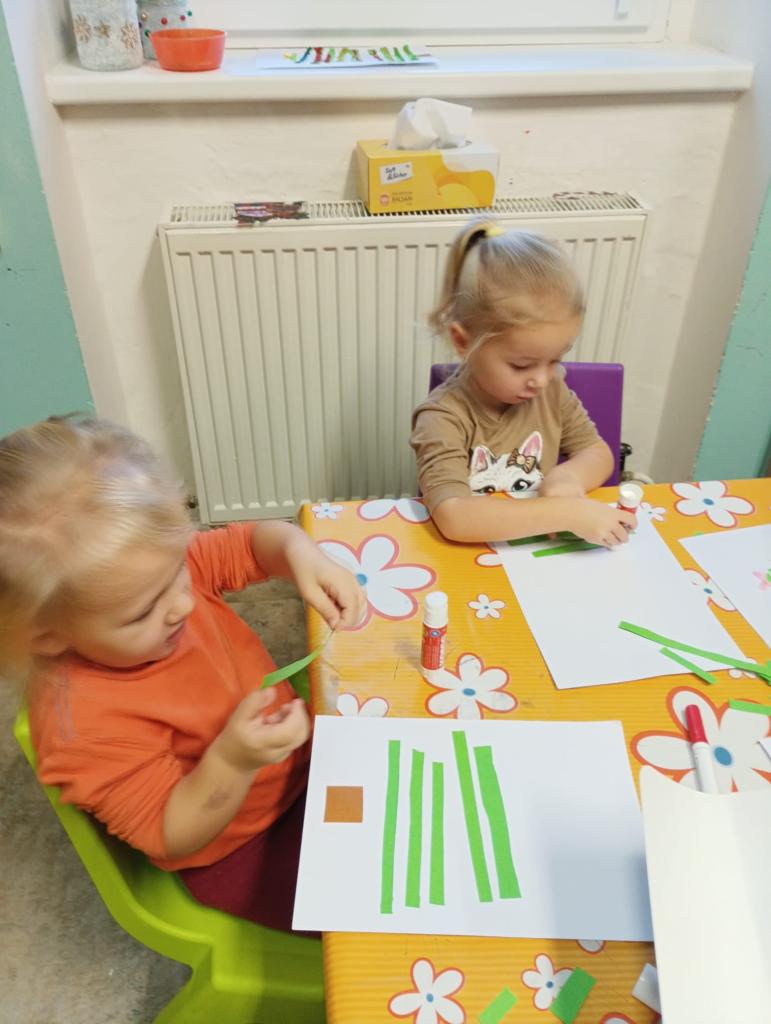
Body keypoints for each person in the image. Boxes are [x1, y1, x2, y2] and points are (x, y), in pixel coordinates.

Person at [0, 414, 364, 931]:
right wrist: (233, 760)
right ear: (48, 635)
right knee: (374, 904)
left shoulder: (144, 575)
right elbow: (169, 832)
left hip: (302, 763)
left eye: (178, 571)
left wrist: (304, 557)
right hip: (242, 846)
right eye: (142, 613)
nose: (182, 604)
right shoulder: (80, 728)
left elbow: (252, 543)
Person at [410, 219, 637, 545]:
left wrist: (568, 477)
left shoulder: (553, 391)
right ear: (463, 342)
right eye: (521, 365)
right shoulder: (441, 417)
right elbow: (454, 517)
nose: (542, 380)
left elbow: (598, 452)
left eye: (555, 359)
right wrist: (566, 513)